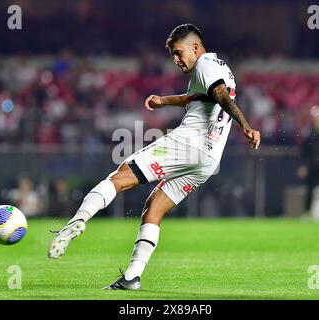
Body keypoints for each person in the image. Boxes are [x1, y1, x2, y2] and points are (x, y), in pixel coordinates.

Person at [48, 24, 261, 290]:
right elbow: (197, 97)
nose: (175, 59)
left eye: (178, 52)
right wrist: (164, 100)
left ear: (196, 47)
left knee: (120, 176)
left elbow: (219, 96)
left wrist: (246, 127)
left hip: (188, 144)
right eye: (173, 54)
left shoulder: (205, 67)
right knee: (154, 208)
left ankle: (76, 222)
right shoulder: (219, 68)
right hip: (207, 159)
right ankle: (131, 277)